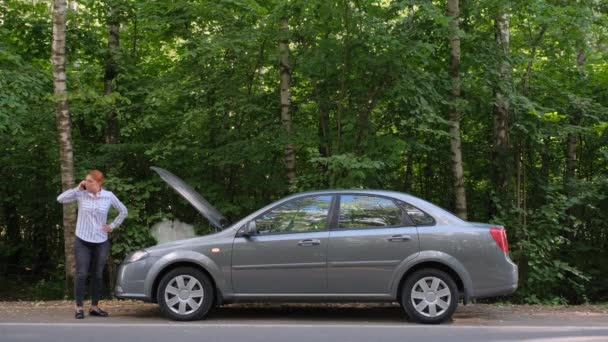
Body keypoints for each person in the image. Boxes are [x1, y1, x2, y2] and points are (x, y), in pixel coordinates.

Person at [57, 170, 128, 319]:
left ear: (98, 183)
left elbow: (123, 211)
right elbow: (60, 199)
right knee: (82, 274)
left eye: (90, 181)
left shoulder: (108, 196)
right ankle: (79, 307)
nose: (86, 182)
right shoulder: (81, 194)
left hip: (101, 241)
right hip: (82, 240)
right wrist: (77, 188)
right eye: (85, 180)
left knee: (97, 275)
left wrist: (112, 226)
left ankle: (94, 307)